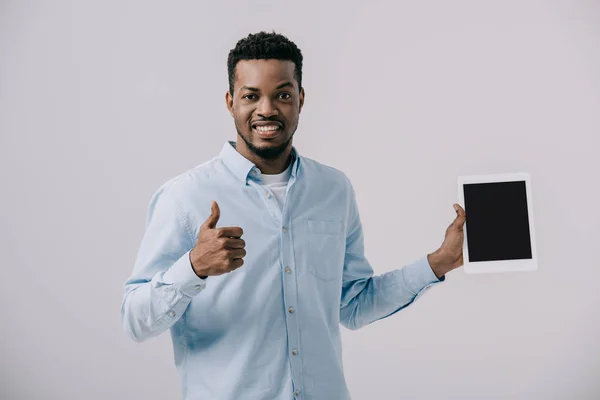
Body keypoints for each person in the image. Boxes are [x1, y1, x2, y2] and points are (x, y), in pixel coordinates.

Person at [121, 31, 466, 400]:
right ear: (230, 102)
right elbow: (135, 320)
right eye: (251, 96)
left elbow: (352, 304)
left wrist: (438, 263)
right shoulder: (184, 197)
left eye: (282, 95)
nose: (266, 109)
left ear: (300, 99)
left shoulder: (334, 190)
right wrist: (193, 267)